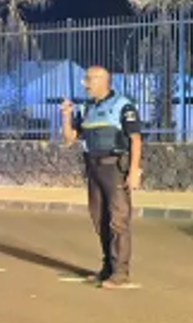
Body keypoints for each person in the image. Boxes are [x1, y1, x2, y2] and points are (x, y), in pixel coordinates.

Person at [60, 66, 143, 289]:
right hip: (93, 168)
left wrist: (134, 172)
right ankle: (107, 267)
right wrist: (66, 116)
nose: (85, 84)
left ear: (101, 81)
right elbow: (70, 139)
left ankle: (120, 272)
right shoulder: (88, 108)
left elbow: (135, 139)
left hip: (114, 167)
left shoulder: (122, 106)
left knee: (118, 220)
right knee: (99, 219)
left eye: (88, 79)